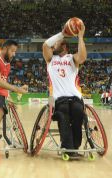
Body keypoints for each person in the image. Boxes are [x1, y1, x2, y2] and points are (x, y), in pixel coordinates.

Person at [43, 22, 87, 156]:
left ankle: (74, 147)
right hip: (59, 99)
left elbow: (83, 57)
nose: (54, 44)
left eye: (57, 43)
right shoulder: (50, 59)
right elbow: (45, 45)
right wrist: (62, 33)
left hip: (74, 98)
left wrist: (80, 37)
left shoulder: (72, 58)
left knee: (78, 113)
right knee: (63, 115)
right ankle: (67, 148)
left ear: (64, 46)